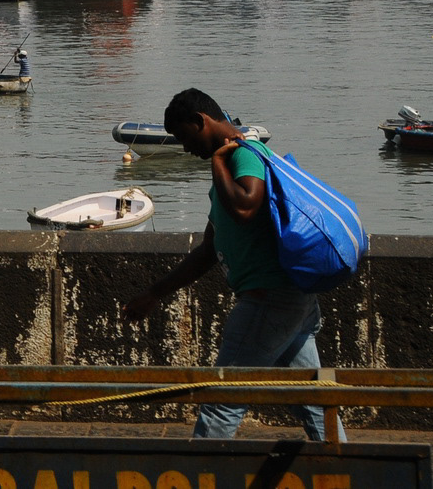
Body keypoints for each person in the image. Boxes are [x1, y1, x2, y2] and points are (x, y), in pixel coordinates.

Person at [122, 87, 341, 443]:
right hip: (290, 300)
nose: (185, 148)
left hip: (268, 299)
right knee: (314, 403)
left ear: (200, 122)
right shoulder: (231, 164)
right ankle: (347, 471)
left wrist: (218, 162)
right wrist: (154, 293)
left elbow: (245, 206)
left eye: (183, 137)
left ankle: (198, 478)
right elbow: (210, 249)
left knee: (223, 401)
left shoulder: (241, 156)